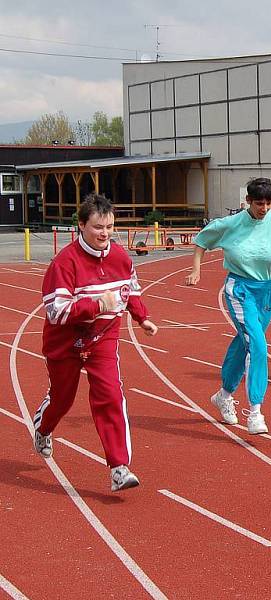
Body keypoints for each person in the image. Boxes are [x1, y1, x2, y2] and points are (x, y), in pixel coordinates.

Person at [33, 193, 158, 492]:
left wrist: (142, 317)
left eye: (110, 227)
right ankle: (44, 427)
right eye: (98, 227)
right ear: (81, 226)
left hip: (104, 337)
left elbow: (132, 289)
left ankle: (119, 467)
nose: (105, 233)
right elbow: (56, 311)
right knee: (63, 399)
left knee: (111, 395)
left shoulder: (121, 257)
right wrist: (96, 305)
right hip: (65, 342)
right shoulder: (64, 264)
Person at [185, 178, 271, 434]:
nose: (264, 208)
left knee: (245, 342)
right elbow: (201, 241)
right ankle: (256, 411)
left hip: (267, 291)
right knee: (258, 345)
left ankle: (224, 394)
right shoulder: (232, 224)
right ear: (248, 201)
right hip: (239, 289)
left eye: (268, 203)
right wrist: (196, 270)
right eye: (259, 203)